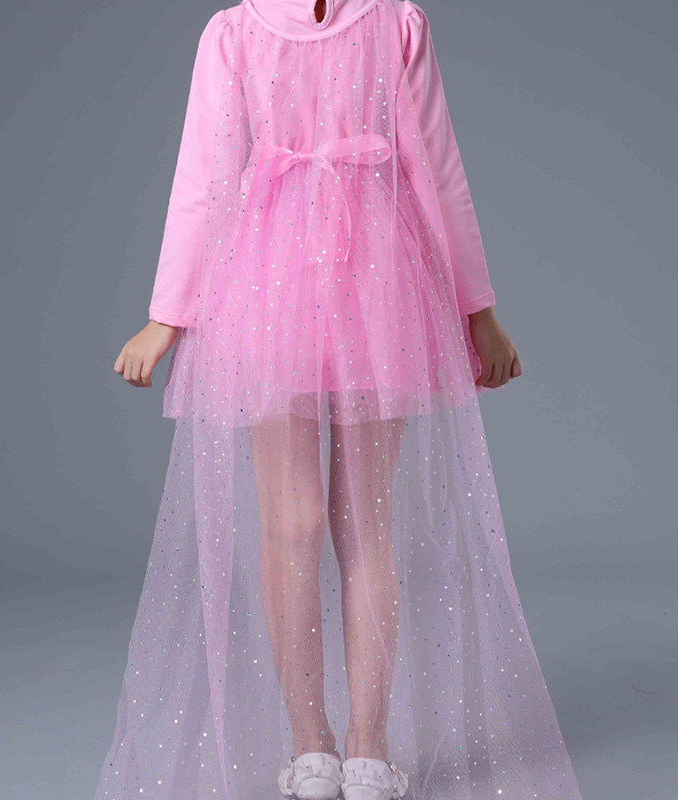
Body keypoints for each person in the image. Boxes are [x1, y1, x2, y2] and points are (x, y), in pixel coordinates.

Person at [99, 1, 583, 799]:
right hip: (312, 280)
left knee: (348, 523)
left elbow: (433, 164)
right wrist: (168, 313)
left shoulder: (392, 22)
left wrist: (479, 309)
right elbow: (207, 174)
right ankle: (326, 747)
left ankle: (352, 747)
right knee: (327, 525)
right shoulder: (243, 32)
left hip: (346, 277)